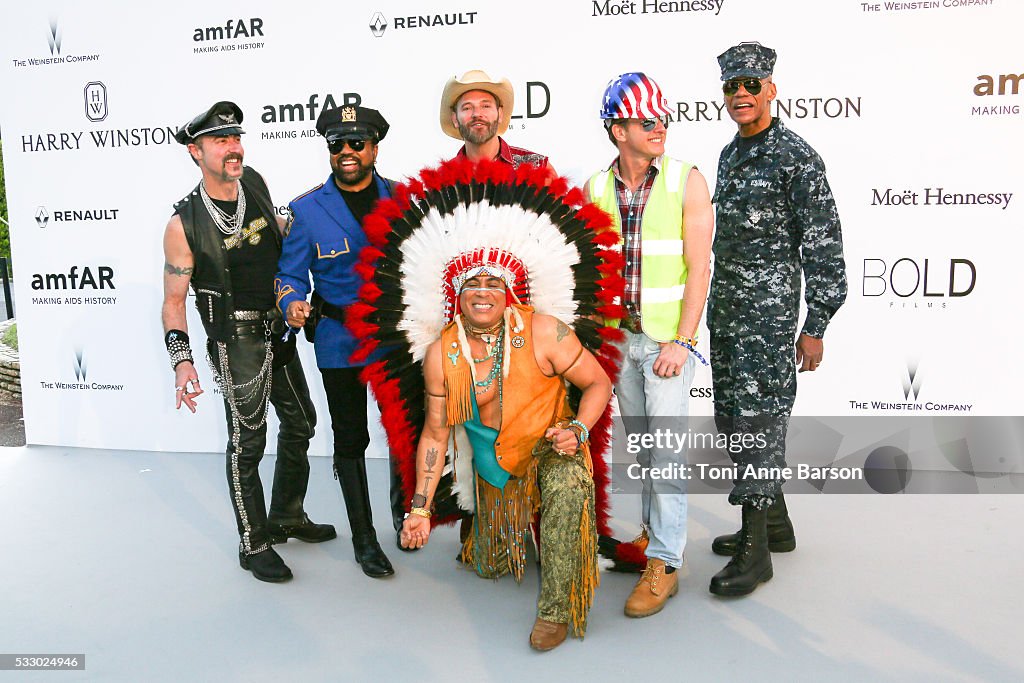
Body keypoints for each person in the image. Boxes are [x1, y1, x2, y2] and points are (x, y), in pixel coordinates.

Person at [347, 156, 625, 651]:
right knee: (489, 566)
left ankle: (556, 610)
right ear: (455, 296)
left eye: (492, 283)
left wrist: (578, 430)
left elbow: (599, 383)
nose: (481, 292)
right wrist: (420, 508)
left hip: (549, 445)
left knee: (566, 481)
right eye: (470, 285)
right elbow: (434, 434)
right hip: (492, 470)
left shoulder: (543, 329)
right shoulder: (441, 353)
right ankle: (496, 533)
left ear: (509, 290)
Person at [161, 101, 334, 584]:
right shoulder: (184, 224)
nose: (234, 147)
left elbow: (273, 235)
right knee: (247, 441)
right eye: (221, 141)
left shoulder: (253, 181)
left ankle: (286, 515)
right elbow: (174, 301)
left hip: (278, 329)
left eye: (236, 137)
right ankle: (253, 542)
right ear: (196, 152)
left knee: (301, 422)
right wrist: (182, 362)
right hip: (234, 341)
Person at [708, 42, 847, 596]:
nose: (740, 94)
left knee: (757, 425)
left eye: (750, 84)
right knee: (731, 419)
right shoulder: (730, 155)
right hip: (726, 311)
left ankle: (756, 551)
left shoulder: (796, 157)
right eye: (730, 87)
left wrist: (816, 324)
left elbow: (824, 247)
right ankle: (777, 525)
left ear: (771, 89)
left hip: (768, 319)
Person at [586, 72, 714, 618]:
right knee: (644, 450)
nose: (659, 128)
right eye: (646, 121)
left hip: (667, 345)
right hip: (619, 345)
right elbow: (591, 272)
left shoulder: (687, 180)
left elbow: (701, 266)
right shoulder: (594, 189)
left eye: (663, 119)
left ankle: (665, 560)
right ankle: (652, 532)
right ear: (618, 130)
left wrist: (682, 342)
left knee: (664, 453)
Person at [274, 105, 398, 578]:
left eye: (356, 143)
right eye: (336, 144)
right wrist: (291, 304)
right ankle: (364, 540)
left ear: (374, 148)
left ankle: (405, 515)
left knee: (402, 429)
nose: (346, 152)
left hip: (393, 339)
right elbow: (289, 274)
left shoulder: (403, 198)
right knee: (351, 438)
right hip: (338, 337)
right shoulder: (306, 209)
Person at [441, 69, 557, 175]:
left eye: (486, 106)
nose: (476, 114)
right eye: (467, 108)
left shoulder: (538, 170)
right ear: (455, 119)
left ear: (500, 114)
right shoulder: (442, 179)